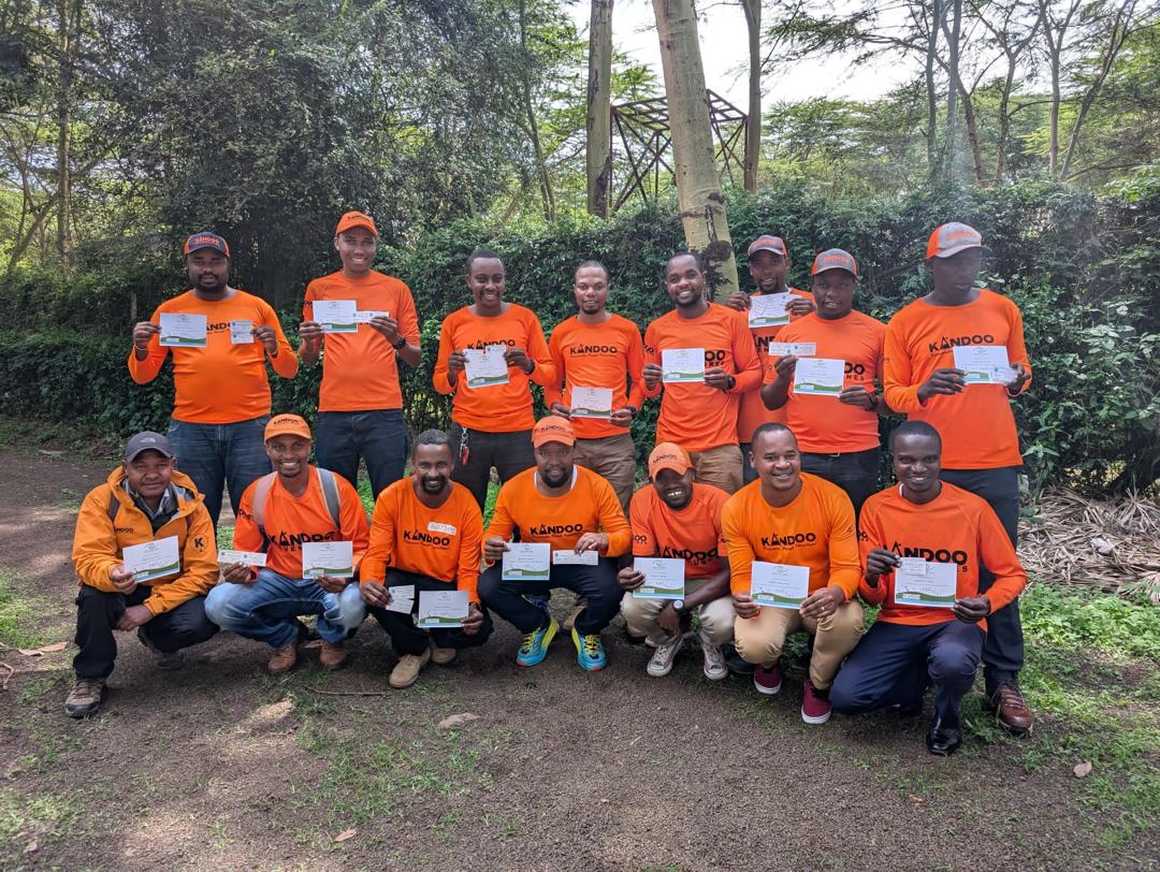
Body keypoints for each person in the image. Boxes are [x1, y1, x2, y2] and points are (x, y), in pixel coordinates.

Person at [883, 222, 1034, 735]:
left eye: (971, 257)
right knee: (923, 563)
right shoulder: (906, 321)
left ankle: (1003, 680)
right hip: (929, 466)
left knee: (996, 569)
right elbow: (891, 394)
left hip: (993, 459)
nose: (964, 266)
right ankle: (929, 660)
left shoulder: (1002, 309)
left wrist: (1016, 380)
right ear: (933, 265)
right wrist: (922, 389)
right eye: (953, 259)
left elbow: (1022, 373)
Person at [831, 422, 1028, 755]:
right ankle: (916, 678)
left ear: (940, 460)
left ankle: (947, 715)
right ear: (892, 461)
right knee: (847, 697)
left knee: (952, 661)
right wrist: (873, 577)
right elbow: (873, 597)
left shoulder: (973, 509)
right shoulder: (876, 508)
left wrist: (987, 603)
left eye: (928, 459)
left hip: (955, 620)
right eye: (907, 460)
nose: (918, 469)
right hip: (898, 620)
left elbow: (1012, 574)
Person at [128, 232, 298, 528]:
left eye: (215, 261)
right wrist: (140, 348)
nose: (208, 268)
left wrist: (273, 347)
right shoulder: (170, 310)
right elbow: (143, 376)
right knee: (193, 514)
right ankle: (198, 574)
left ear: (227, 265)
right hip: (191, 429)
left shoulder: (256, 307)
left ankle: (260, 573)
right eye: (199, 262)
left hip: (250, 425)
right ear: (188, 266)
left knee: (258, 511)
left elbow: (289, 370)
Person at [66, 432, 219, 718]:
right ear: (125, 467)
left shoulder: (192, 505)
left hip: (168, 588)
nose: (152, 474)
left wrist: (148, 609)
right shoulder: (101, 500)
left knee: (203, 620)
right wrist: (111, 572)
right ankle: (90, 676)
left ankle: (156, 638)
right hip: (122, 586)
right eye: (141, 466)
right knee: (93, 595)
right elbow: (87, 556)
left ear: (172, 465)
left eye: (160, 465)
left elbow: (204, 571)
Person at [722, 423, 864, 725]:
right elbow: (742, 572)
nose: (783, 465)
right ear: (753, 461)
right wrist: (743, 593)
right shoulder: (737, 507)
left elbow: (848, 567)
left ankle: (818, 684)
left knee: (849, 619)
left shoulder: (832, 498)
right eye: (771, 457)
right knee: (753, 644)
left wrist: (836, 592)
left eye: (791, 455)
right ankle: (769, 662)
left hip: (820, 597)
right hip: (772, 598)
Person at [204, 414, 369, 673]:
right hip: (279, 578)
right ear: (267, 449)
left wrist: (346, 576)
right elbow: (247, 553)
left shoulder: (334, 487)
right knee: (218, 604)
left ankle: (331, 638)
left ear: (309, 447)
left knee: (354, 602)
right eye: (278, 447)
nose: (288, 455)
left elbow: (361, 545)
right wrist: (245, 572)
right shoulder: (257, 493)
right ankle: (285, 637)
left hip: (325, 581)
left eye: (297, 445)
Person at [478, 416, 630, 671]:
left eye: (562, 452)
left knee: (613, 587)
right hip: (535, 563)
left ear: (574, 450)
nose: (554, 461)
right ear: (534, 452)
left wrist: (604, 539)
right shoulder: (514, 488)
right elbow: (494, 534)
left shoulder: (596, 485)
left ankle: (586, 629)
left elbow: (623, 535)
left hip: (580, 560)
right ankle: (537, 625)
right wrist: (491, 545)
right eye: (545, 453)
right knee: (489, 586)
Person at [298, 211, 421, 498]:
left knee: (390, 499)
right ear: (337, 244)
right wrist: (310, 342)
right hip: (334, 412)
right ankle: (343, 546)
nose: (359, 249)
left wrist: (396, 339)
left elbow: (414, 358)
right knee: (337, 501)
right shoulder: (319, 288)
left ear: (375, 247)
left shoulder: (396, 289)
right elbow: (307, 358)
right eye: (350, 240)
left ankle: (384, 546)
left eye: (367, 242)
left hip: (384, 411)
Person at [359, 430, 493, 689]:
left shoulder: (466, 503)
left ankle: (440, 637)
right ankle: (415, 648)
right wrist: (369, 581)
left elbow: (468, 567)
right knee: (372, 587)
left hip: (444, 587)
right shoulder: (392, 496)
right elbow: (376, 553)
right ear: (413, 464)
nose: (433, 473)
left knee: (481, 629)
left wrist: (472, 605)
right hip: (404, 581)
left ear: (452, 465)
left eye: (441, 465)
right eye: (425, 465)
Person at [760, 249, 888, 517]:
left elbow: (896, 399)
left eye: (842, 285)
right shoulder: (790, 333)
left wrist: (873, 400)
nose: (832, 293)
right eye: (824, 285)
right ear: (812, 287)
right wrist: (783, 377)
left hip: (858, 453)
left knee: (854, 526)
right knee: (805, 529)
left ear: (854, 286)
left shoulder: (878, 332)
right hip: (803, 453)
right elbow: (770, 400)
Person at [433, 250, 556, 509]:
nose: (490, 286)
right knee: (464, 506)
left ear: (504, 281)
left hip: (517, 430)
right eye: (481, 279)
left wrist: (528, 364)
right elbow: (440, 384)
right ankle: (470, 551)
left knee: (524, 506)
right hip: (469, 430)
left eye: (497, 279)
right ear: (469, 281)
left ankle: (522, 551)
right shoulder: (454, 323)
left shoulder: (525, 318)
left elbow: (550, 374)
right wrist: (453, 373)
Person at [642, 252, 762, 494]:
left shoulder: (731, 320)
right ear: (668, 286)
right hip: (671, 443)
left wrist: (730, 381)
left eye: (690, 275)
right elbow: (650, 392)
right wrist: (651, 381)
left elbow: (754, 372)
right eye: (674, 279)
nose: (683, 283)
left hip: (720, 447)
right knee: (675, 520)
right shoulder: (657, 329)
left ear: (703, 278)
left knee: (723, 521)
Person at [617, 443, 733, 680]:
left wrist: (680, 605)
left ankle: (711, 642)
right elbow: (645, 559)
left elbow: (731, 573)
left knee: (722, 621)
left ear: (691, 473)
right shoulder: (642, 501)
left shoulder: (720, 502)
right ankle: (670, 638)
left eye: (677, 475)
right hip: (668, 578)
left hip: (711, 580)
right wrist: (629, 575)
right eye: (662, 478)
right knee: (632, 607)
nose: (671, 485)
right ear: (651, 481)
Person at [546, 260, 646, 510]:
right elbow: (551, 382)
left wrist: (632, 409)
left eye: (598, 286)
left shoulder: (627, 330)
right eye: (584, 286)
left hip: (615, 441)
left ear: (607, 289)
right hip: (573, 441)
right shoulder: (561, 332)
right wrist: (554, 404)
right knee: (574, 511)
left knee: (617, 513)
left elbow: (640, 380)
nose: (590, 292)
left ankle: (615, 552)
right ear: (575, 290)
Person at [724, 235, 815, 484]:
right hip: (751, 423)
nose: (766, 270)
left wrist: (817, 315)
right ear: (751, 270)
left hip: (801, 425)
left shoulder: (810, 304)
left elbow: (835, 350)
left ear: (787, 263)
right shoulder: (741, 310)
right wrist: (726, 312)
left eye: (773, 262)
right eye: (758, 264)